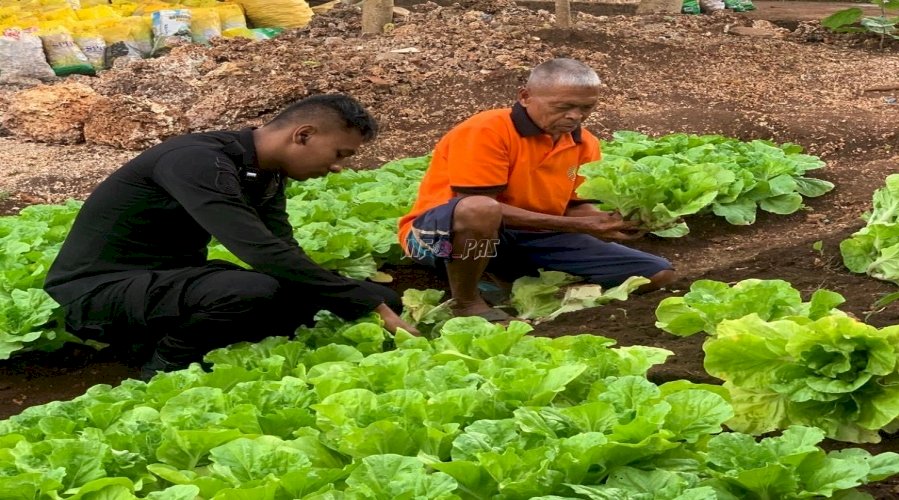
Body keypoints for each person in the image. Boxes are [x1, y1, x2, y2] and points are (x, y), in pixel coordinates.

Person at [45, 93, 418, 380]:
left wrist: (368, 299)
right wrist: (362, 302)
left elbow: (282, 247)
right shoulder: (197, 160)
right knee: (250, 290)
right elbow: (260, 251)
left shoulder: (266, 173)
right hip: (97, 291)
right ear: (303, 135)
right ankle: (164, 362)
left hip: (165, 284)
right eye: (340, 153)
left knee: (344, 295)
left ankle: (189, 342)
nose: (338, 167)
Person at [398, 58, 675, 321]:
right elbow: (476, 206)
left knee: (656, 273)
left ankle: (539, 292)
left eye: (586, 108)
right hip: (442, 237)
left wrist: (608, 221)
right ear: (525, 96)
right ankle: (467, 301)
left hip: (534, 237)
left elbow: (576, 207)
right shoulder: (488, 129)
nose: (575, 116)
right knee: (481, 210)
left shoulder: (584, 142)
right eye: (563, 106)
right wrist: (578, 226)